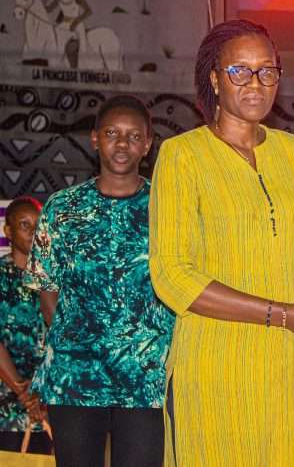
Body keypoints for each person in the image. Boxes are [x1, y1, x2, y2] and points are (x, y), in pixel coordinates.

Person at [148, 19, 294, 467]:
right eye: (239, 71)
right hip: (213, 364)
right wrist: (283, 315)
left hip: (285, 365)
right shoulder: (182, 155)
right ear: (214, 79)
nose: (255, 84)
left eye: (267, 71)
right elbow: (173, 276)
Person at [25, 95, 174, 467]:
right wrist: (83, 343)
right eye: (111, 133)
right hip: (76, 379)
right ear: (94, 138)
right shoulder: (62, 208)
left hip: (146, 380)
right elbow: (48, 294)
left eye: (133, 136)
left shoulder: (169, 208)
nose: (122, 144)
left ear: (147, 144)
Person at [0, 197, 48, 454]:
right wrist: (22, 389)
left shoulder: (53, 278)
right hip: (6, 406)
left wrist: (41, 391)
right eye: (24, 225)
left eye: (37, 225)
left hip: (46, 404)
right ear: (8, 231)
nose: (32, 231)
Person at [45, 0, 92, 68]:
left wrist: (76, 22)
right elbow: (49, 9)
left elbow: (89, 11)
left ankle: (83, 67)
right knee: (55, 45)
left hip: (77, 25)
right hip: (64, 25)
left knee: (83, 50)